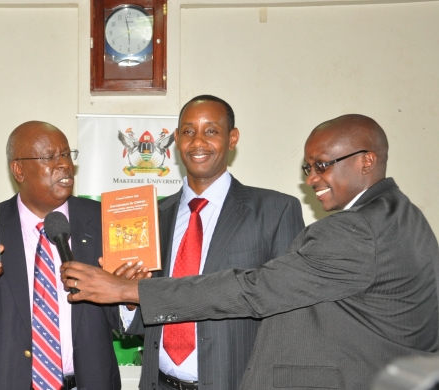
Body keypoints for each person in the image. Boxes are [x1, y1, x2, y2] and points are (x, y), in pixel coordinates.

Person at [62, 114, 439, 389]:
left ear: (366, 160)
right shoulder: (406, 216)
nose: (311, 179)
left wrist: (127, 291)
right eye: (308, 166)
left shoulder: (353, 229)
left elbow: (255, 290)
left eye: (322, 165)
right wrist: (128, 298)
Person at [113, 95, 305, 390]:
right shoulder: (152, 217)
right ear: (176, 140)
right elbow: (148, 321)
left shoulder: (275, 211)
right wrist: (128, 297)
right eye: (188, 132)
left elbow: (289, 317)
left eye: (211, 131)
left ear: (232, 138)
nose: (198, 142)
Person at [0, 121, 121, 390]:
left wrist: (127, 293)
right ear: (18, 169)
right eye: (49, 157)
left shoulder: (102, 220)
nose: (64, 164)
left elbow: (121, 322)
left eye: (66, 154)